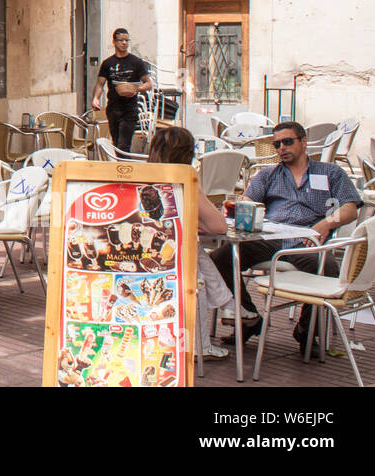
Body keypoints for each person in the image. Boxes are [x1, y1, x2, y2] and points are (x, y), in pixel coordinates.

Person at [209, 120, 362, 354]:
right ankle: (249, 316)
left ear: (303, 142)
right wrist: (244, 210)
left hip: (306, 242)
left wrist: (326, 223)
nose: (281, 147)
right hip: (269, 239)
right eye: (277, 143)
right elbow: (249, 202)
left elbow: (351, 209)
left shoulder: (330, 172)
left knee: (328, 267)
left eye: (288, 142)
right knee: (220, 259)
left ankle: (306, 330)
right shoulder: (268, 174)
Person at [147, 126, 232, 359]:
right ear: (188, 153)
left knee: (197, 254)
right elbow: (219, 227)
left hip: (142, 256)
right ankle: (207, 337)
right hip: (173, 262)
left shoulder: (142, 177)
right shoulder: (184, 181)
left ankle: (231, 305)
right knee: (196, 266)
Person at [91, 28, 152, 153]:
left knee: (123, 146)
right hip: (113, 109)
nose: (124, 43)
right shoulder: (108, 63)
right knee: (116, 143)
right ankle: (120, 169)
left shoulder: (136, 62)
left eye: (126, 40)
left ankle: (124, 170)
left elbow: (149, 83)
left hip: (129, 109)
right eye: (121, 40)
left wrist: (137, 89)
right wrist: (96, 98)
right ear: (114, 42)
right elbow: (100, 84)